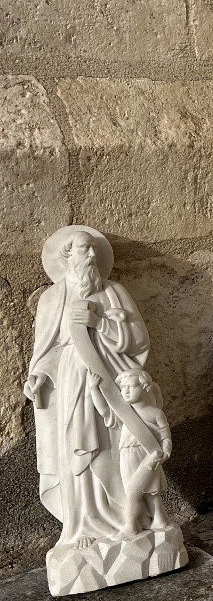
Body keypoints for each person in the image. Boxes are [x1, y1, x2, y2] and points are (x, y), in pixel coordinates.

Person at [24, 228, 150, 547]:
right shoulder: (52, 298)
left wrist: (101, 324)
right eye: (85, 249)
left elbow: (138, 341)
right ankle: (82, 524)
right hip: (71, 380)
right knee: (78, 445)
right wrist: (38, 377)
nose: (92, 255)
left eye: (94, 249)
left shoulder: (113, 292)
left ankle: (127, 516)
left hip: (111, 377)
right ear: (68, 255)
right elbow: (47, 350)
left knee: (116, 444)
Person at [108, 369, 173, 538]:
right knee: (151, 492)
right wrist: (94, 388)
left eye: (131, 386)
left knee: (133, 491)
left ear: (144, 387)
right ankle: (160, 520)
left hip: (147, 456)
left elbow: (165, 437)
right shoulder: (124, 412)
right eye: (123, 388)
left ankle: (130, 526)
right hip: (127, 456)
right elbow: (105, 413)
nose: (126, 391)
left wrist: (165, 453)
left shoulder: (155, 413)